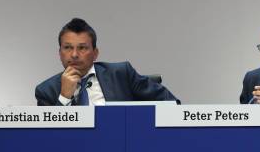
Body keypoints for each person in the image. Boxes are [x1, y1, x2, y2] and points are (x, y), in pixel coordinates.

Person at [35, 18, 179, 106]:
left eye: (82, 48)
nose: (74, 54)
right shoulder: (46, 91)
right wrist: (64, 97)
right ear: (59, 53)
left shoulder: (121, 74)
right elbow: (47, 139)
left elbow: (172, 104)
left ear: (95, 53)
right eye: (67, 48)